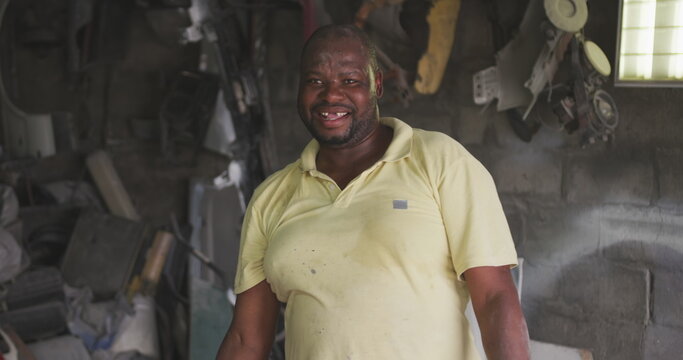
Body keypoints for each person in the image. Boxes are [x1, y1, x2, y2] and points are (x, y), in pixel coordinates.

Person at [216, 24, 530, 360]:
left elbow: (495, 297)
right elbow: (245, 340)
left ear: (377, 85)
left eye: (349, 80)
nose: (331, 95)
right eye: (315, 81)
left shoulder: (440, 161)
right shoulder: (271, 198)